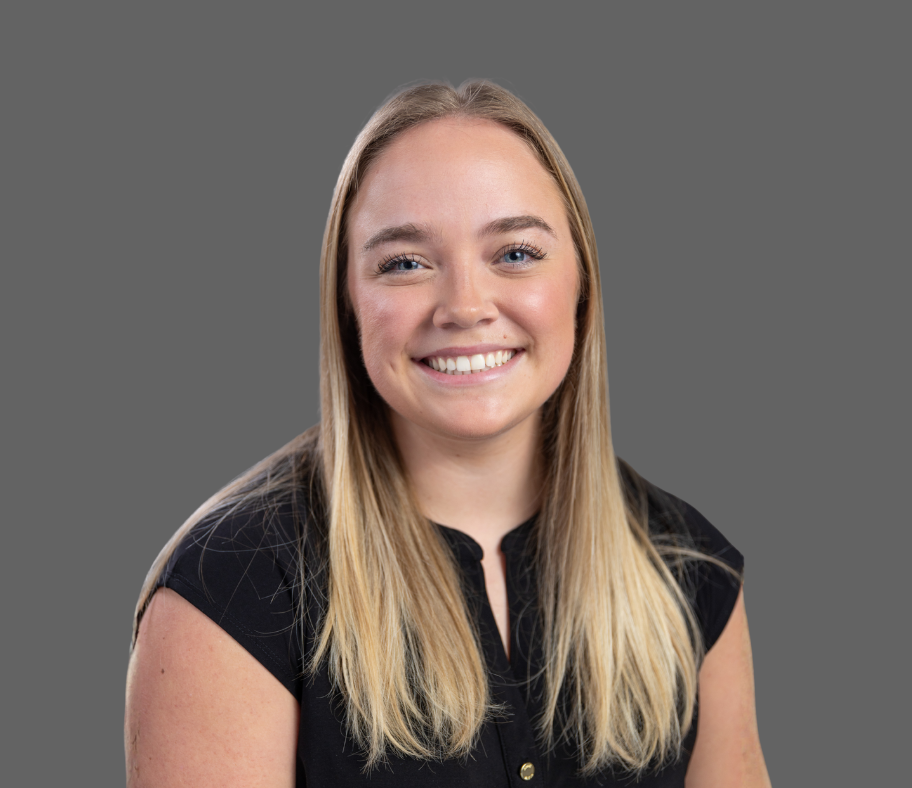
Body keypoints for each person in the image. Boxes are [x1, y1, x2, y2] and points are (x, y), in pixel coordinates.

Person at [125, 80, 771, 787]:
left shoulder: (690, 570)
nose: (464, 306)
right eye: (405, 263)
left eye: (515, 253)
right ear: (348, 302)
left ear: (582, 283)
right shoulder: (232, 588)